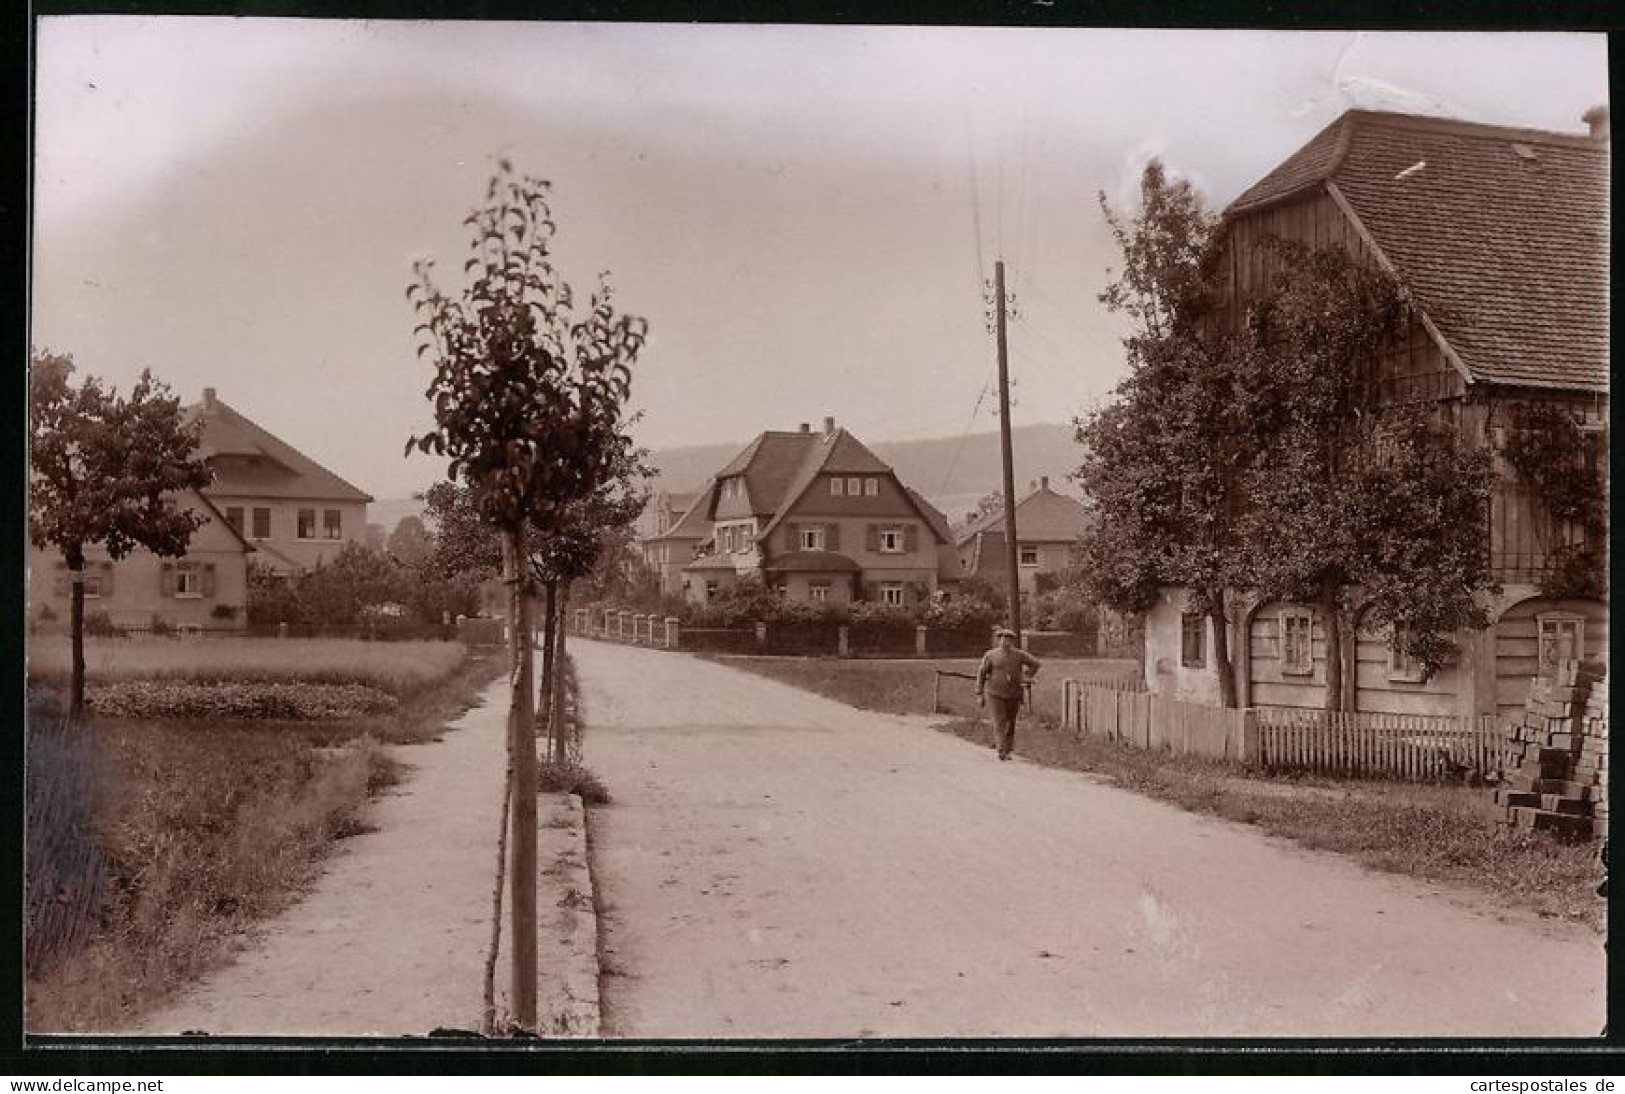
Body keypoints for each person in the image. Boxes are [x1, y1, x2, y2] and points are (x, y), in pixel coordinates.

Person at [975, 627, 1041, 761]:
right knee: (999, 721)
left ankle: (1008, 749)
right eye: (1002, 638)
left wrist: (1026, 676)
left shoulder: (1019, 655)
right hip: (995, 693)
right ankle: (1001, 749)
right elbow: (981, 674)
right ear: (998, 640)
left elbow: (1035, 663)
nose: (1005, 641)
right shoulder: (991, 655)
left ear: (1012, 641)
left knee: (1010, 722)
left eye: (1008, 639)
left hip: (1013, 694)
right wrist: (979, 694)